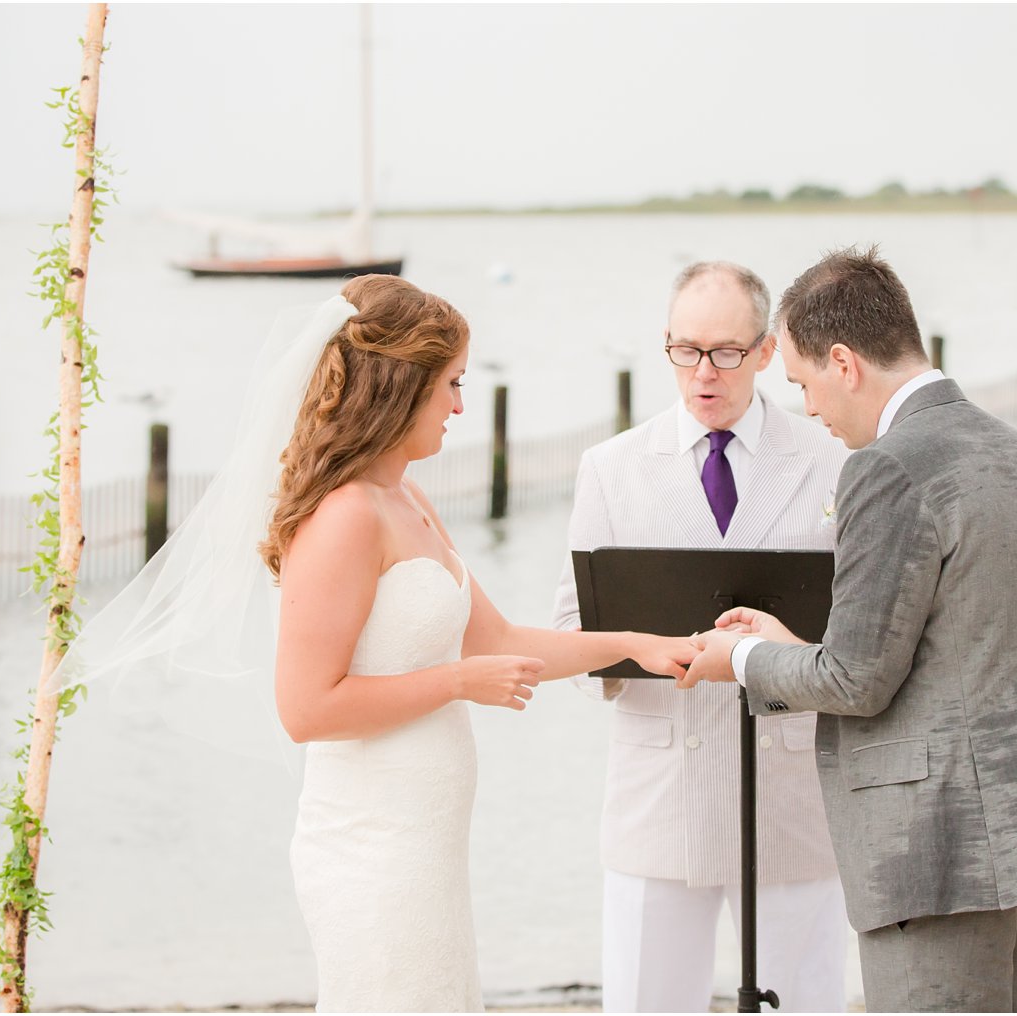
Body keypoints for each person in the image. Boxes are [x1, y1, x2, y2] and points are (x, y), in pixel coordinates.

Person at [61, 276, 695, 1014]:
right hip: (370, 852)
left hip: (426, 848)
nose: (462, 405)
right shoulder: (345, 518)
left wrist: (641, 644)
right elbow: (305, 708)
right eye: (452, 384)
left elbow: (500, 640)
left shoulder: (408, 499)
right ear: (402, 385)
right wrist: (456, 682)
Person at [679, 247, 1017, 1012]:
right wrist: (786, 648)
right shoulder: (1015, 449)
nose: (809, 409)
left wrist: (740, 659)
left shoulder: (887, 467)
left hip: (937, 853)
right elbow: (950, 655)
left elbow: (857, 681)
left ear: (843, 362)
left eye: (803, 383)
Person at [552, 262, 850, 1013]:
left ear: (765, 351)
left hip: (790, 797)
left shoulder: (833, 461)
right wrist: (649, 649)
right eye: (685, 351)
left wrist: (772, 651)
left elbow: (860, 632)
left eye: (724, 352)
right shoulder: (611, 468)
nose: (702, 372)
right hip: (660, 798)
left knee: (804, 1003)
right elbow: (569, 628)